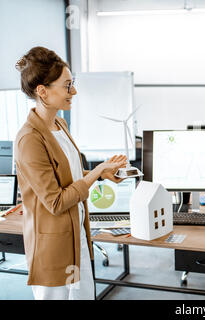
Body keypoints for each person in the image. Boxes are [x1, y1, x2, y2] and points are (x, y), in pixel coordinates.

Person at [14, 46, 128, 300]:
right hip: (53, 249)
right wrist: (95, 171)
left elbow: (68, 175)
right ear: (42, 91)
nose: (73, 91)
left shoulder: (60, 124)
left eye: (72, 83)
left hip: (76, 237)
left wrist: (101, 173)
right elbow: (55, 202)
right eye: (67, 86)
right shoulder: (29, 140)